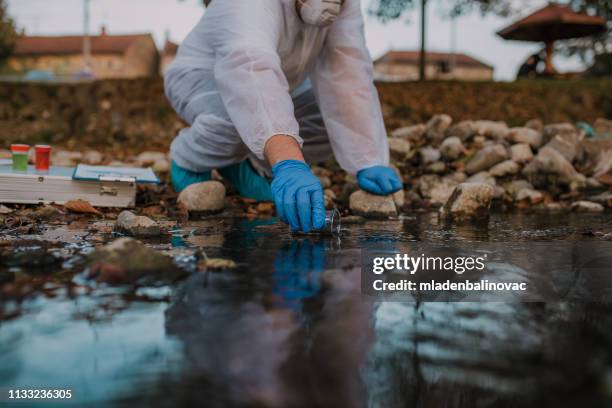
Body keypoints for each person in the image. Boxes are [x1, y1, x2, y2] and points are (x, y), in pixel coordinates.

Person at [165, 0, 402, 233]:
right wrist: (288, 161)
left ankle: (244, 161)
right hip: (201, 78)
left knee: (328, 122)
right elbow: (250, 71)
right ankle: (190, 160)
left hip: (282, 80)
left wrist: (367, 158)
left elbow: (347, 71)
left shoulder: (345, 4)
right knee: (238, 118)